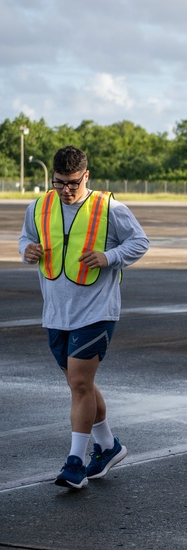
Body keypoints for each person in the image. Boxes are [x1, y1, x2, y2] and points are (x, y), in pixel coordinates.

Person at [19, 145, 149, 489]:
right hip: (56, 311)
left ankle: (75, 462)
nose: (66, 189)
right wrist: (26, 251)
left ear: (86, 176)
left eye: (73, 183)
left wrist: (109, 256)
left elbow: (140, 242)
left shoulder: (110, 207)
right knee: (82, 385)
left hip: (96, 310)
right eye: (59, 182)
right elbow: (26, 238)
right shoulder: (39, 206)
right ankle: (108, 446)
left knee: (78, 383)